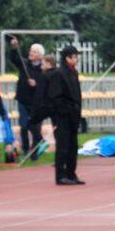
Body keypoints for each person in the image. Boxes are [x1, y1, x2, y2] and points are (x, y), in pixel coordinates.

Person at [45, 44, 84, 185]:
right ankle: (60, 175)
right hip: (63, 116)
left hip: (74, 115)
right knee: (63, 146)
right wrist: (66, 109)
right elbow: (55, 97)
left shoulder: (74, 73)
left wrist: (77, 110)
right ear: (67, 58)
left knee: (73, 146)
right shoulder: (59, 73)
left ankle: (71, 173)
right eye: (74, 56)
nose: (76, 59)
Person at [8, 38, 46, 154]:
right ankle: (25, 149)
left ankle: (36, 149)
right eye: (30, 51)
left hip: (37, 102)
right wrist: (14, 47)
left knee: (36, 126)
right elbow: (14, 59)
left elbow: (47, 84)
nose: (30, 53)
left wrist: (36, 84)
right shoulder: (24, 63)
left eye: (34, 51)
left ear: (40, 56)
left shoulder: (44, 68)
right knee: (23, 125)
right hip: (23, 99)